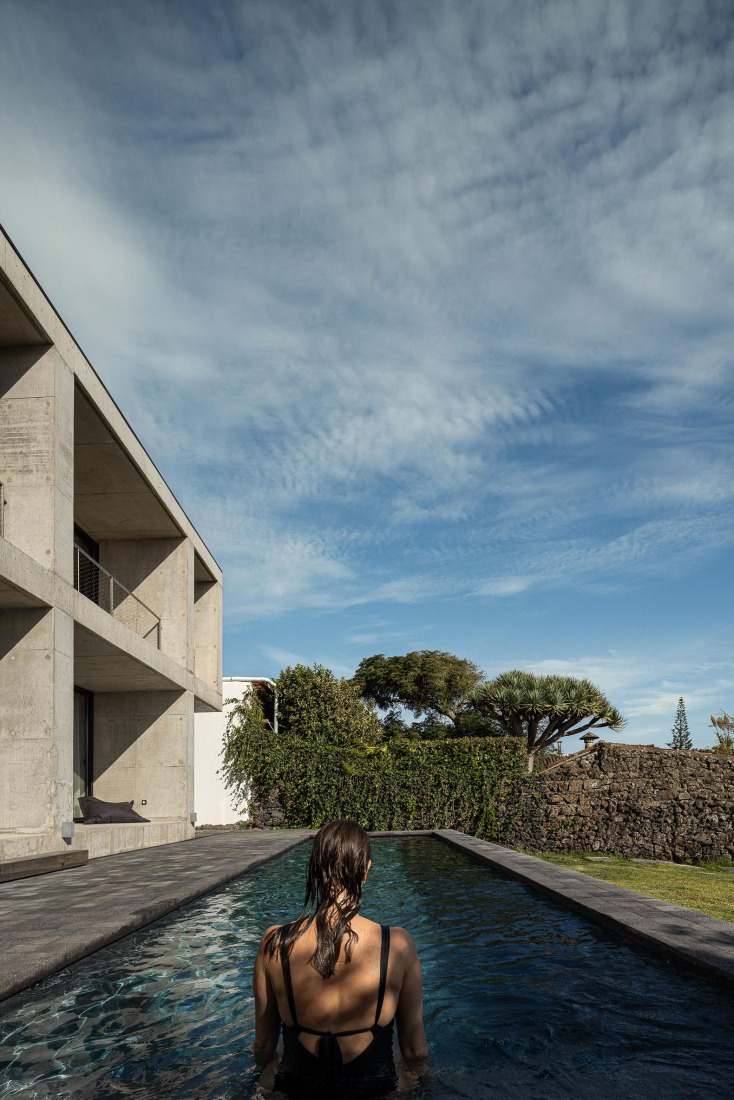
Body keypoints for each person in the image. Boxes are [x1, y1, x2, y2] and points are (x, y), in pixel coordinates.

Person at [253, 820, 429, 1098]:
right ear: (365, 871)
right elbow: (415, 1050)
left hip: (297, 1089)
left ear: (314, 868)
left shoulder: (274, 942)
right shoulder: (397, 945)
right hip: (376, 1090)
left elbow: (263, 1044)